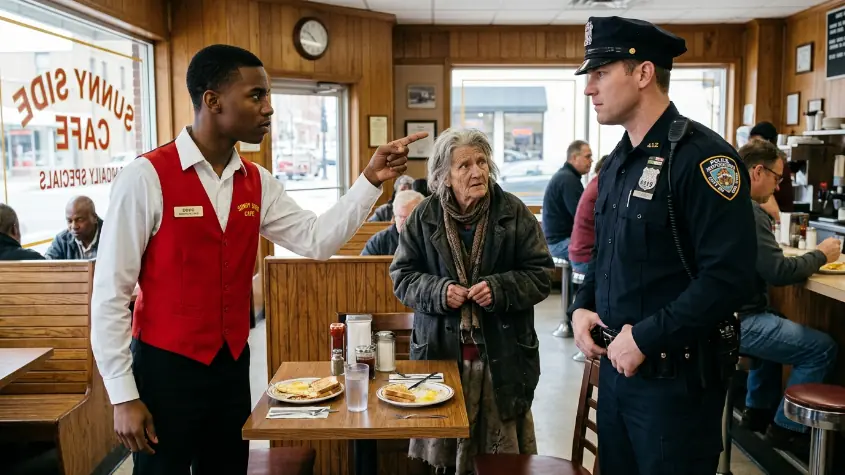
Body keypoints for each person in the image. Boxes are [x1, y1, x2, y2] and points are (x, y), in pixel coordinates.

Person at [90, 44, 427, 474]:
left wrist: (369, 180)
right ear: (212, 101)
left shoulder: (257, 182)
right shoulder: (145, 177)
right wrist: (123, 395)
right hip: (164, 369)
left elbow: (315, 239)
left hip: (232, 367)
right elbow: (109, 295)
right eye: (256, 96)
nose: (268, 109)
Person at [568, 17, 757, 475]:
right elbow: (605, 250)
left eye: (601, 73)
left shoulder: (703, 159)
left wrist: (647, 337)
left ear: (643, 73)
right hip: (615, 375)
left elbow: (728, 279)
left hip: (675, 385)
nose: (589, 89)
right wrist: (582, 304)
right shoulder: (616, 163)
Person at [390, 128, 553, 475]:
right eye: (464, 165)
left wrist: (499, 288)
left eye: (481, 161)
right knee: (443, 461)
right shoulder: (424, 216)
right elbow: (402, 277)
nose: (477, 171)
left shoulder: (513, 212)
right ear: (443, 176)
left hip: (502, 356)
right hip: (441, 355)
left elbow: (541, 275)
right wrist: (438, 291)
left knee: (500, 462)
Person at [735, 139, 839, 458]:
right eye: (777, 178)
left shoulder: (731, 201)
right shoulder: (749, 211)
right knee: (822, 349)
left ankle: (757, 411)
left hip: (725, 315)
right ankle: (785, 430)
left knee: (776, 320)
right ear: (757, 172)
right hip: (737, 321)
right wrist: (821, 255)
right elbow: (778, 271)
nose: (779, 186)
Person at [567, 154, 608, 363]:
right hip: (583, 253)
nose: (590, 160)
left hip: (579, 248)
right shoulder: (602, 186)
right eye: (587, 155)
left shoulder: (593, 183)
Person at [541, 140, 593, 260]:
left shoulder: (566, 176)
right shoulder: (568, 180)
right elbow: (582, 217)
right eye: (587, 156)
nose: (591, 160)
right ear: (574, 157)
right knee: (602, 252)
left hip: (555, 240)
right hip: (559, 243)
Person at [749, 121, 793, 219]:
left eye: (757, 142)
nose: (752, 146)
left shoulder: (775, 165)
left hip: (779, 219)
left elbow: (772, 208)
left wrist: (781, 226)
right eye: (751, 142)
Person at [361, 189, 424, 256]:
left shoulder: (431, 237)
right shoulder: (379, 241)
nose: (405, 222)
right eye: (401, 217)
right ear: (394, 218)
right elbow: (364, 265)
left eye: (410, 217)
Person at [45, 196, 103, 260]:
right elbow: (47, 265)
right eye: (69, 221)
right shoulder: (62, 240)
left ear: (94, 218)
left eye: (79, 220)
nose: (74, 226)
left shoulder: (111, 237)